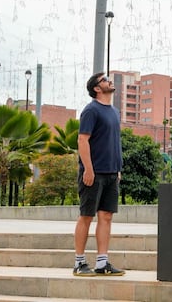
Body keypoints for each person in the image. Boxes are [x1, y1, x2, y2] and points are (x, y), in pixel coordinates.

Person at [73, 72, 125, 277]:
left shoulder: (114, 112)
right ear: (96, 88)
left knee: (106, 216)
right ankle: (79, 262)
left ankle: (102, 262)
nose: (109, 81)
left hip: (112, 172)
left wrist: (117, 169)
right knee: (87, 215)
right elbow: (82, 140)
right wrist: (88, 168)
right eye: (104, 80)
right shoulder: (91, 110)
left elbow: (113, 141)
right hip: (93, 173)